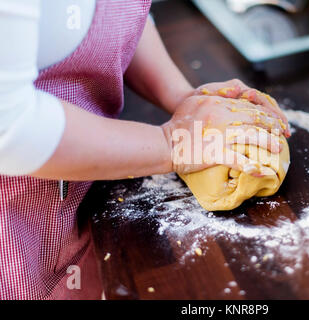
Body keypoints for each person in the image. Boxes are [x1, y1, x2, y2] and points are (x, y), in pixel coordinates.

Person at [0, 0, 289, 299]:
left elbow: (118, 15)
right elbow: (9, 126)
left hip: (88, 197)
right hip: (18, 234)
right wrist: (174, 144)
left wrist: (185, 100)